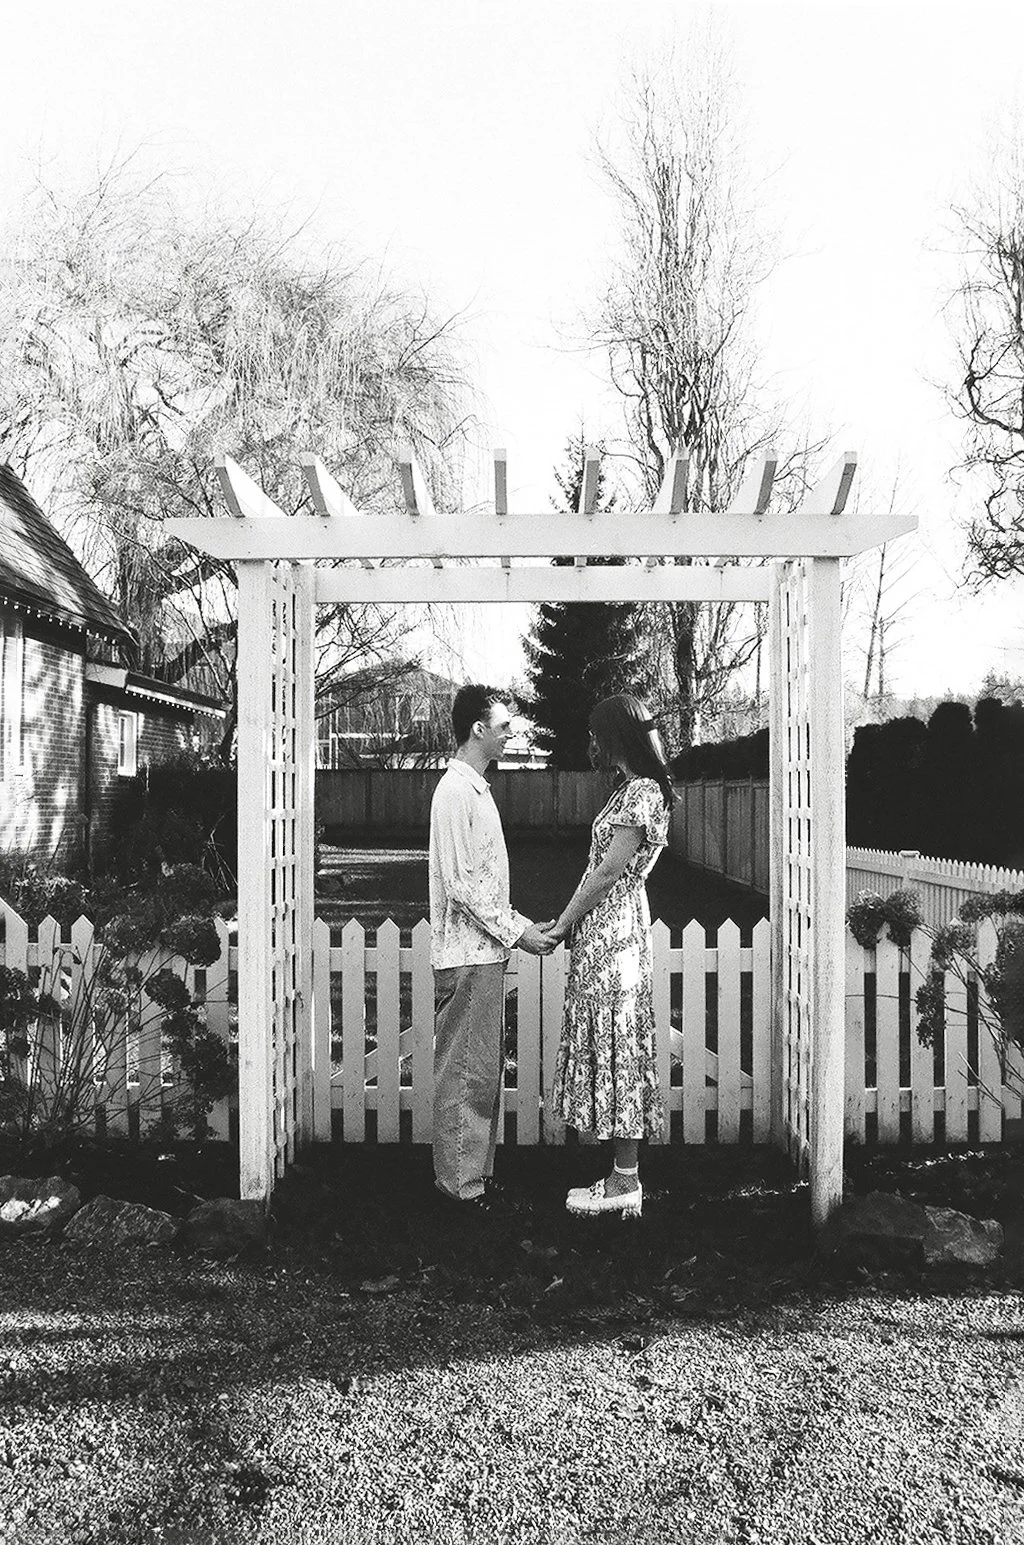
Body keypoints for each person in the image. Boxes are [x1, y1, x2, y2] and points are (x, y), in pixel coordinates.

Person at [547, 694, 673, 1218]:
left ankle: (626, 1182)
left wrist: (563, 923)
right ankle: (619, 1176)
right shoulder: (630, 789)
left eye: (598, 734)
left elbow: (606, 873)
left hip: (614, 927)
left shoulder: (642, 791)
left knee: (619, 1041)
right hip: (608, 926)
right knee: (610, 1039)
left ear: (616, 735)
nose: (593, 744)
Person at [429, 684, 553, 1205]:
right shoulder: (456, 792)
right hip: (469, 956)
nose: (510, 735)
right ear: (477, 730)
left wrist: (513, 929)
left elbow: (481, 883)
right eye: (504, 727)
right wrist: (519, 930)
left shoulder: (475, 788)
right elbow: (463, 885)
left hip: (484, 954)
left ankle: (472, 1177)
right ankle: (460, 1187)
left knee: (480, 1073)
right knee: (463, 1075)